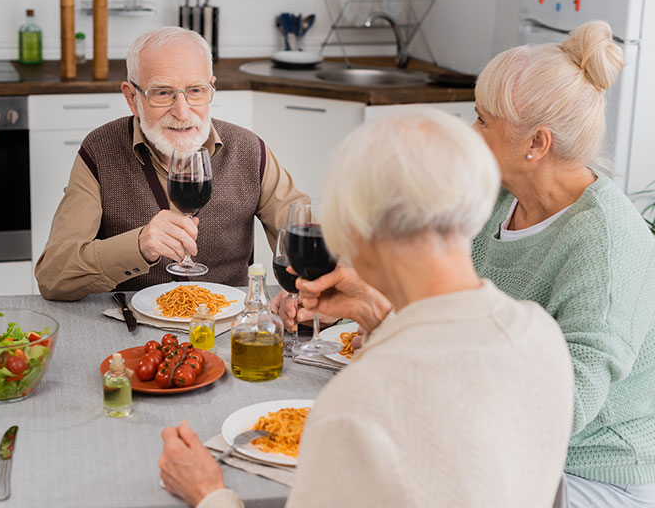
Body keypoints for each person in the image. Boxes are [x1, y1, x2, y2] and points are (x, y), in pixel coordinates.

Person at [158, 108, 574, 507]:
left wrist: (208, 492)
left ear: (356, 231)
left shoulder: (358, 401)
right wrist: (381, 317)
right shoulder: (539, 335)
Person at [470, 20, 655, 506]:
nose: (471, 133)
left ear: (537, 144)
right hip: (508, 446)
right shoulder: (498, 197)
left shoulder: (606, 245)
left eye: (485, 121)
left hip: (590, 471)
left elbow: (561, 410)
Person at [35, 27, 305, 299]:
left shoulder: (249, 150)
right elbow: (53, 277)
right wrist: (137, 246)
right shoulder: (100, 151)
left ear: (211, 88)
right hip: (132, 330)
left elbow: (304, 241)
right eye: (162, 93)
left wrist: (306, 296)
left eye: (196, 91)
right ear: (132, 97)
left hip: (228, 327)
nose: (182, 111)